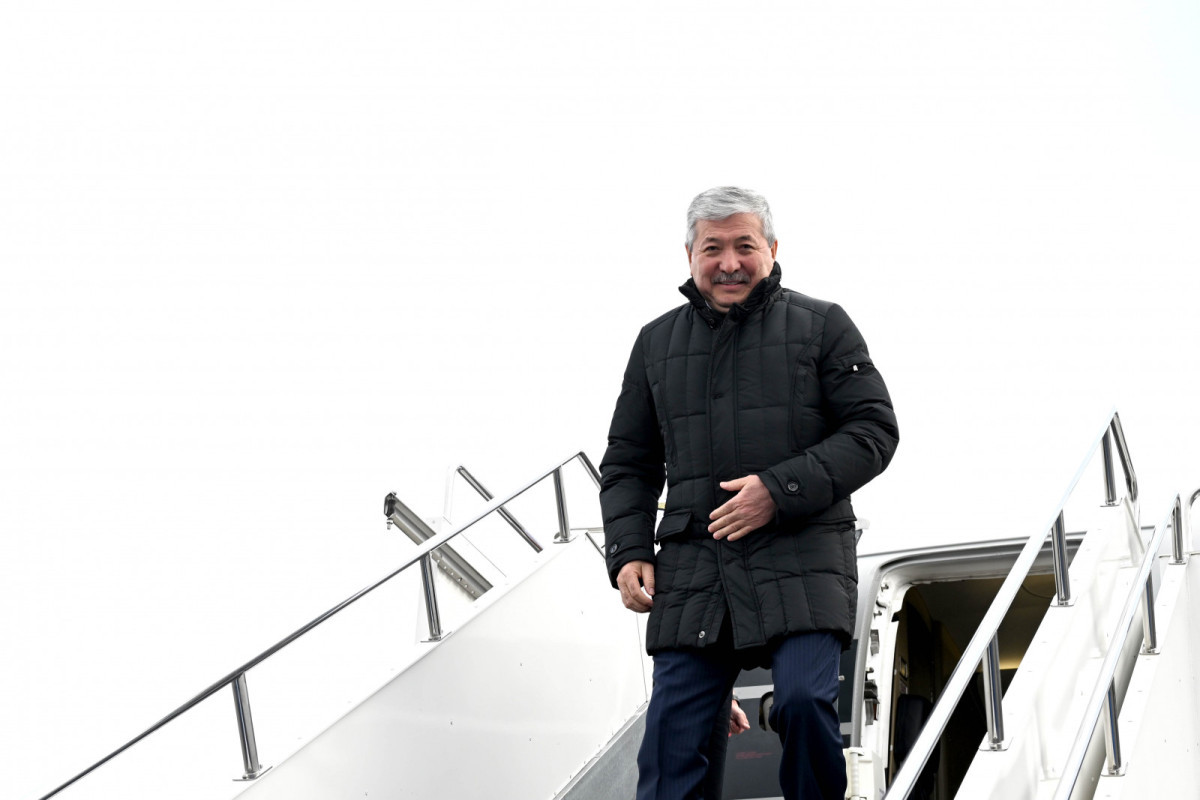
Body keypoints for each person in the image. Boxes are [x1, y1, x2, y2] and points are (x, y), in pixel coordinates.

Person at [599, 186, 899, 800]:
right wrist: (629, 551)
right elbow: (629, 461)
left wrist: (777, 489)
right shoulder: (655, 343)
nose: (729, 263)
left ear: (773, 249)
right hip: (695, 566)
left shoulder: (823, 325)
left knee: (802, 703)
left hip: (803, 557)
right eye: (713, 248)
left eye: (745, 246)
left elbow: (873, 430)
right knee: (671, 739)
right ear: (689, 255)